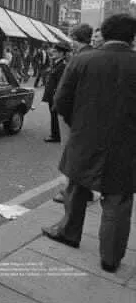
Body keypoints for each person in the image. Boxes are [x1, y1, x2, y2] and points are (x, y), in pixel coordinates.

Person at [42, 14, 136, 273]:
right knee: (118, 201)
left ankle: (69, 233)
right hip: (126, 146)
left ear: (104, 33)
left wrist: (80, 125)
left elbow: (60, 102)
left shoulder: (82, 60)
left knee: (76, 188)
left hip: (84, 138)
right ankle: (110, 259)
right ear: (132, 37)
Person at [53, 24, 94, 204]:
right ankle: (84, 191)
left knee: (70, 154)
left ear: (76, 40)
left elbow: (62, 95)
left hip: (75, 117)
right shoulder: (94, 56)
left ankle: (71, 192)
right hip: (88, 118)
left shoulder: (79, 59)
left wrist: (67, 116)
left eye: (73, 40)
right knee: (83, 156)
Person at [42, 42, 70, 143]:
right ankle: (55, 134)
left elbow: (60, 83)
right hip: (52, 94)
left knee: (55, 115)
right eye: (53, 51)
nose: (52, 52)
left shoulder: (62, 65)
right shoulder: (56, 63)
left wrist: (56, 95)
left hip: (55, 95)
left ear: (62, 53)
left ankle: (56, 136)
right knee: (53, 114)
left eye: (55, 51)